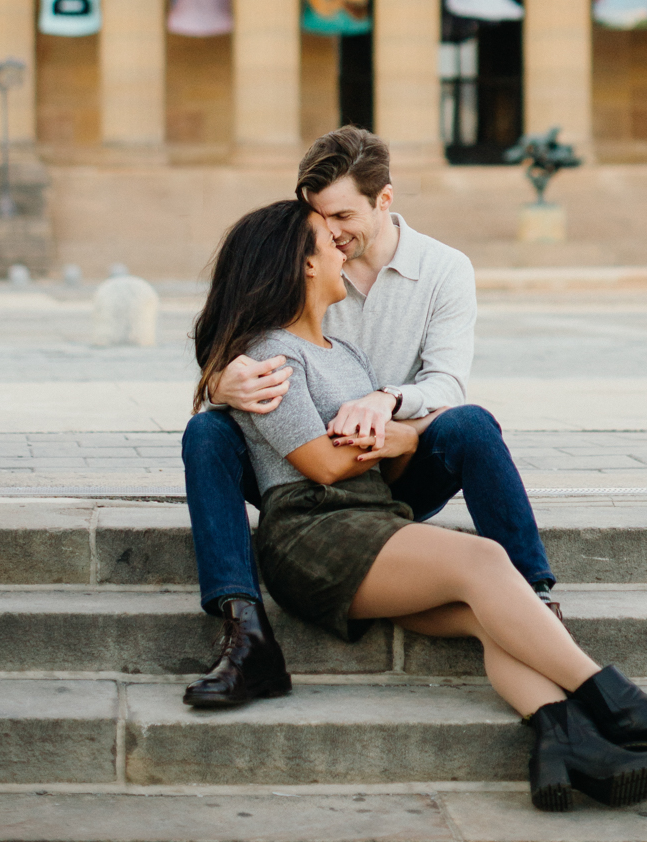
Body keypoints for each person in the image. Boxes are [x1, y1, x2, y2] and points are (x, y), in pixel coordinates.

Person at [189, 198, 647, 811]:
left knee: (489, 619)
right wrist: (384, 438)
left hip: (370, 523)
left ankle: (566, 743)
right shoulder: (269, 354)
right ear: (301, 264)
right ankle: (617, 704)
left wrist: (398, 435)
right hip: (313, 532)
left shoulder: (345, 356)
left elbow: (390, 454)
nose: (341, 249)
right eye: (326, 240)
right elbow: (320, 463)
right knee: (482, 561)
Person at [180, 126, 562, 706]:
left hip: (390, 463)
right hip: (300, 468)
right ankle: (244, 629)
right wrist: (219, 379)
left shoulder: (444, 269)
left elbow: (447, 381)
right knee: (206, 431)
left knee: (472, 424)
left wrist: (388, 404)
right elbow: (244, 324)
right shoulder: (305, 264)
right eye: (317, 218)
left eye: (341, 215)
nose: (329, 233)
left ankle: (534, 595)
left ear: (384, 199)